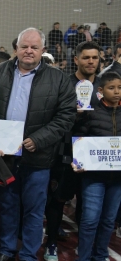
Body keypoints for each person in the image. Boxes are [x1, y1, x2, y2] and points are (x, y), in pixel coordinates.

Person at [0, 28, 76, 261]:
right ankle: (7, 250)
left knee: (34, 210)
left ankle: (29, 254)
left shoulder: (58, 79)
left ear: (43, 50)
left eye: (34, 47)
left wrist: (39, 139)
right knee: (7, 206)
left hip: (39, 157)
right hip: (5, 155)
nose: (28, 51)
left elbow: (67, 116)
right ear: (15, 49)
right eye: (24, 46)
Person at [43, 40, 101, 261]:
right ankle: (51, 244)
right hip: (65, 152)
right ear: (76, 59)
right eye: (86, 57)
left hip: (96, 155)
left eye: (94, 57)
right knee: (58, 199)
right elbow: (53, 116)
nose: (90, 61)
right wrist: (72, 115)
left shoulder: (105, 86)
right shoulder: (64, 83)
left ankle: (86, 247)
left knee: (88, 204)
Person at [72, 72, 121, 261]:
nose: (117, 92)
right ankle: (83, 257)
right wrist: (78, 161)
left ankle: (100, 256)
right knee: (90, 220)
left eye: (120, 87)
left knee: (108, 221)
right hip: (93, 177)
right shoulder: (91, 114)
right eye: (112, 88)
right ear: (100, 91)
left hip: (117, 179)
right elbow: (80, 139)